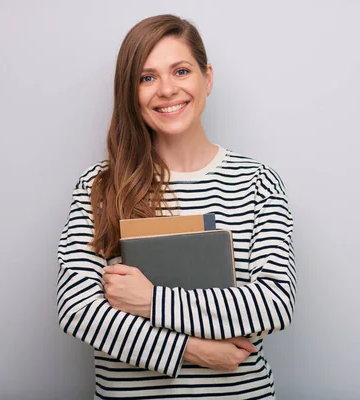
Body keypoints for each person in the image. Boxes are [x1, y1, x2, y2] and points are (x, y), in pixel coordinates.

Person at [56, 14, 296, 399]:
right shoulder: (99, 187)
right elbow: (79, 310)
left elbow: (273, 304)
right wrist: (193, 350)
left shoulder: (257, 183)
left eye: (181, 71)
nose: (166, 90)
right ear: (130, 92)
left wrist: (150, 300)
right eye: (146, 78)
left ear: (208, 78)